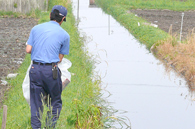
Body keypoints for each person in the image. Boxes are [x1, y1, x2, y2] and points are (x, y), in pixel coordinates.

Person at [26, 5, 70, 129]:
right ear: (63, 19)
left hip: (35, 70)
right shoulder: (65, 35)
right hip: (51, 71)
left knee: (36, 104)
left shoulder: (36, 28)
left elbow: (28, 49)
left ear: (50, 15)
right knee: (55, 102)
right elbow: (60, 59)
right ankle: (49, 127)